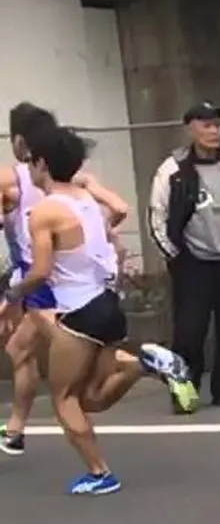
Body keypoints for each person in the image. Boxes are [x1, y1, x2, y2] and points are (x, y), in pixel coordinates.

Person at [0, 125, 195, 493]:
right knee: (93, 397)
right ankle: (142, 363)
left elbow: (40, 272)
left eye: (31, 164)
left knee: (65, 399)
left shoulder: (45, 212)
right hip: (107, 306)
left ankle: (99, 472)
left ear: (42, 163)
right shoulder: (88, 199)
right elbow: (109, 241)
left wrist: (14, 292)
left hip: (78, 313)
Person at [2, 103, 146, 454]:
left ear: (21, 142)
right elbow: (121, 208)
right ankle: (16, 429)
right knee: (27, 351)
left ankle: (24, 433)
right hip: (94, 290)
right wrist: (94, 241)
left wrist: (13, 293)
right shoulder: (80, 185)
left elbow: (39, 269)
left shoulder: (19, 184)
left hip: (51, 286)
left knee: (61, 386)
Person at [149, 100, 220, 408]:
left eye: (217, 125)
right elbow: (158, 214)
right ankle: (185, 389)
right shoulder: (172, 170)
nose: (213, 131)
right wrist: (174, 255)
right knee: (188, 332)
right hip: (193, 262)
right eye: (206, 124)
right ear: (190, 128)